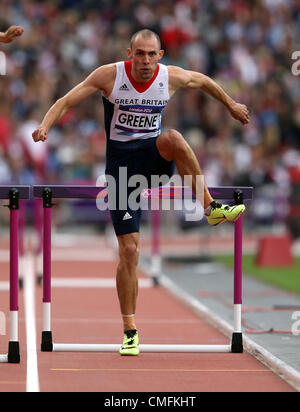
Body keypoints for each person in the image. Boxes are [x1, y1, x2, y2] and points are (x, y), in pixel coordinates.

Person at [32, 29, 249, 356]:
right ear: (129, 53)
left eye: (151, 54)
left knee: (173, 137)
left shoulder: (169, 76)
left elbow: (203, 81)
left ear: (160, 55)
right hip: (120, 169)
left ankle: (211, 208)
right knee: (131, 250)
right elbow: (66, 100)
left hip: (153, 158)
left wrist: (231, 104)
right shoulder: (110, 75)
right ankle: (130, 329)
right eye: (140, 54)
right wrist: (46, 125)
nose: (145, 61)